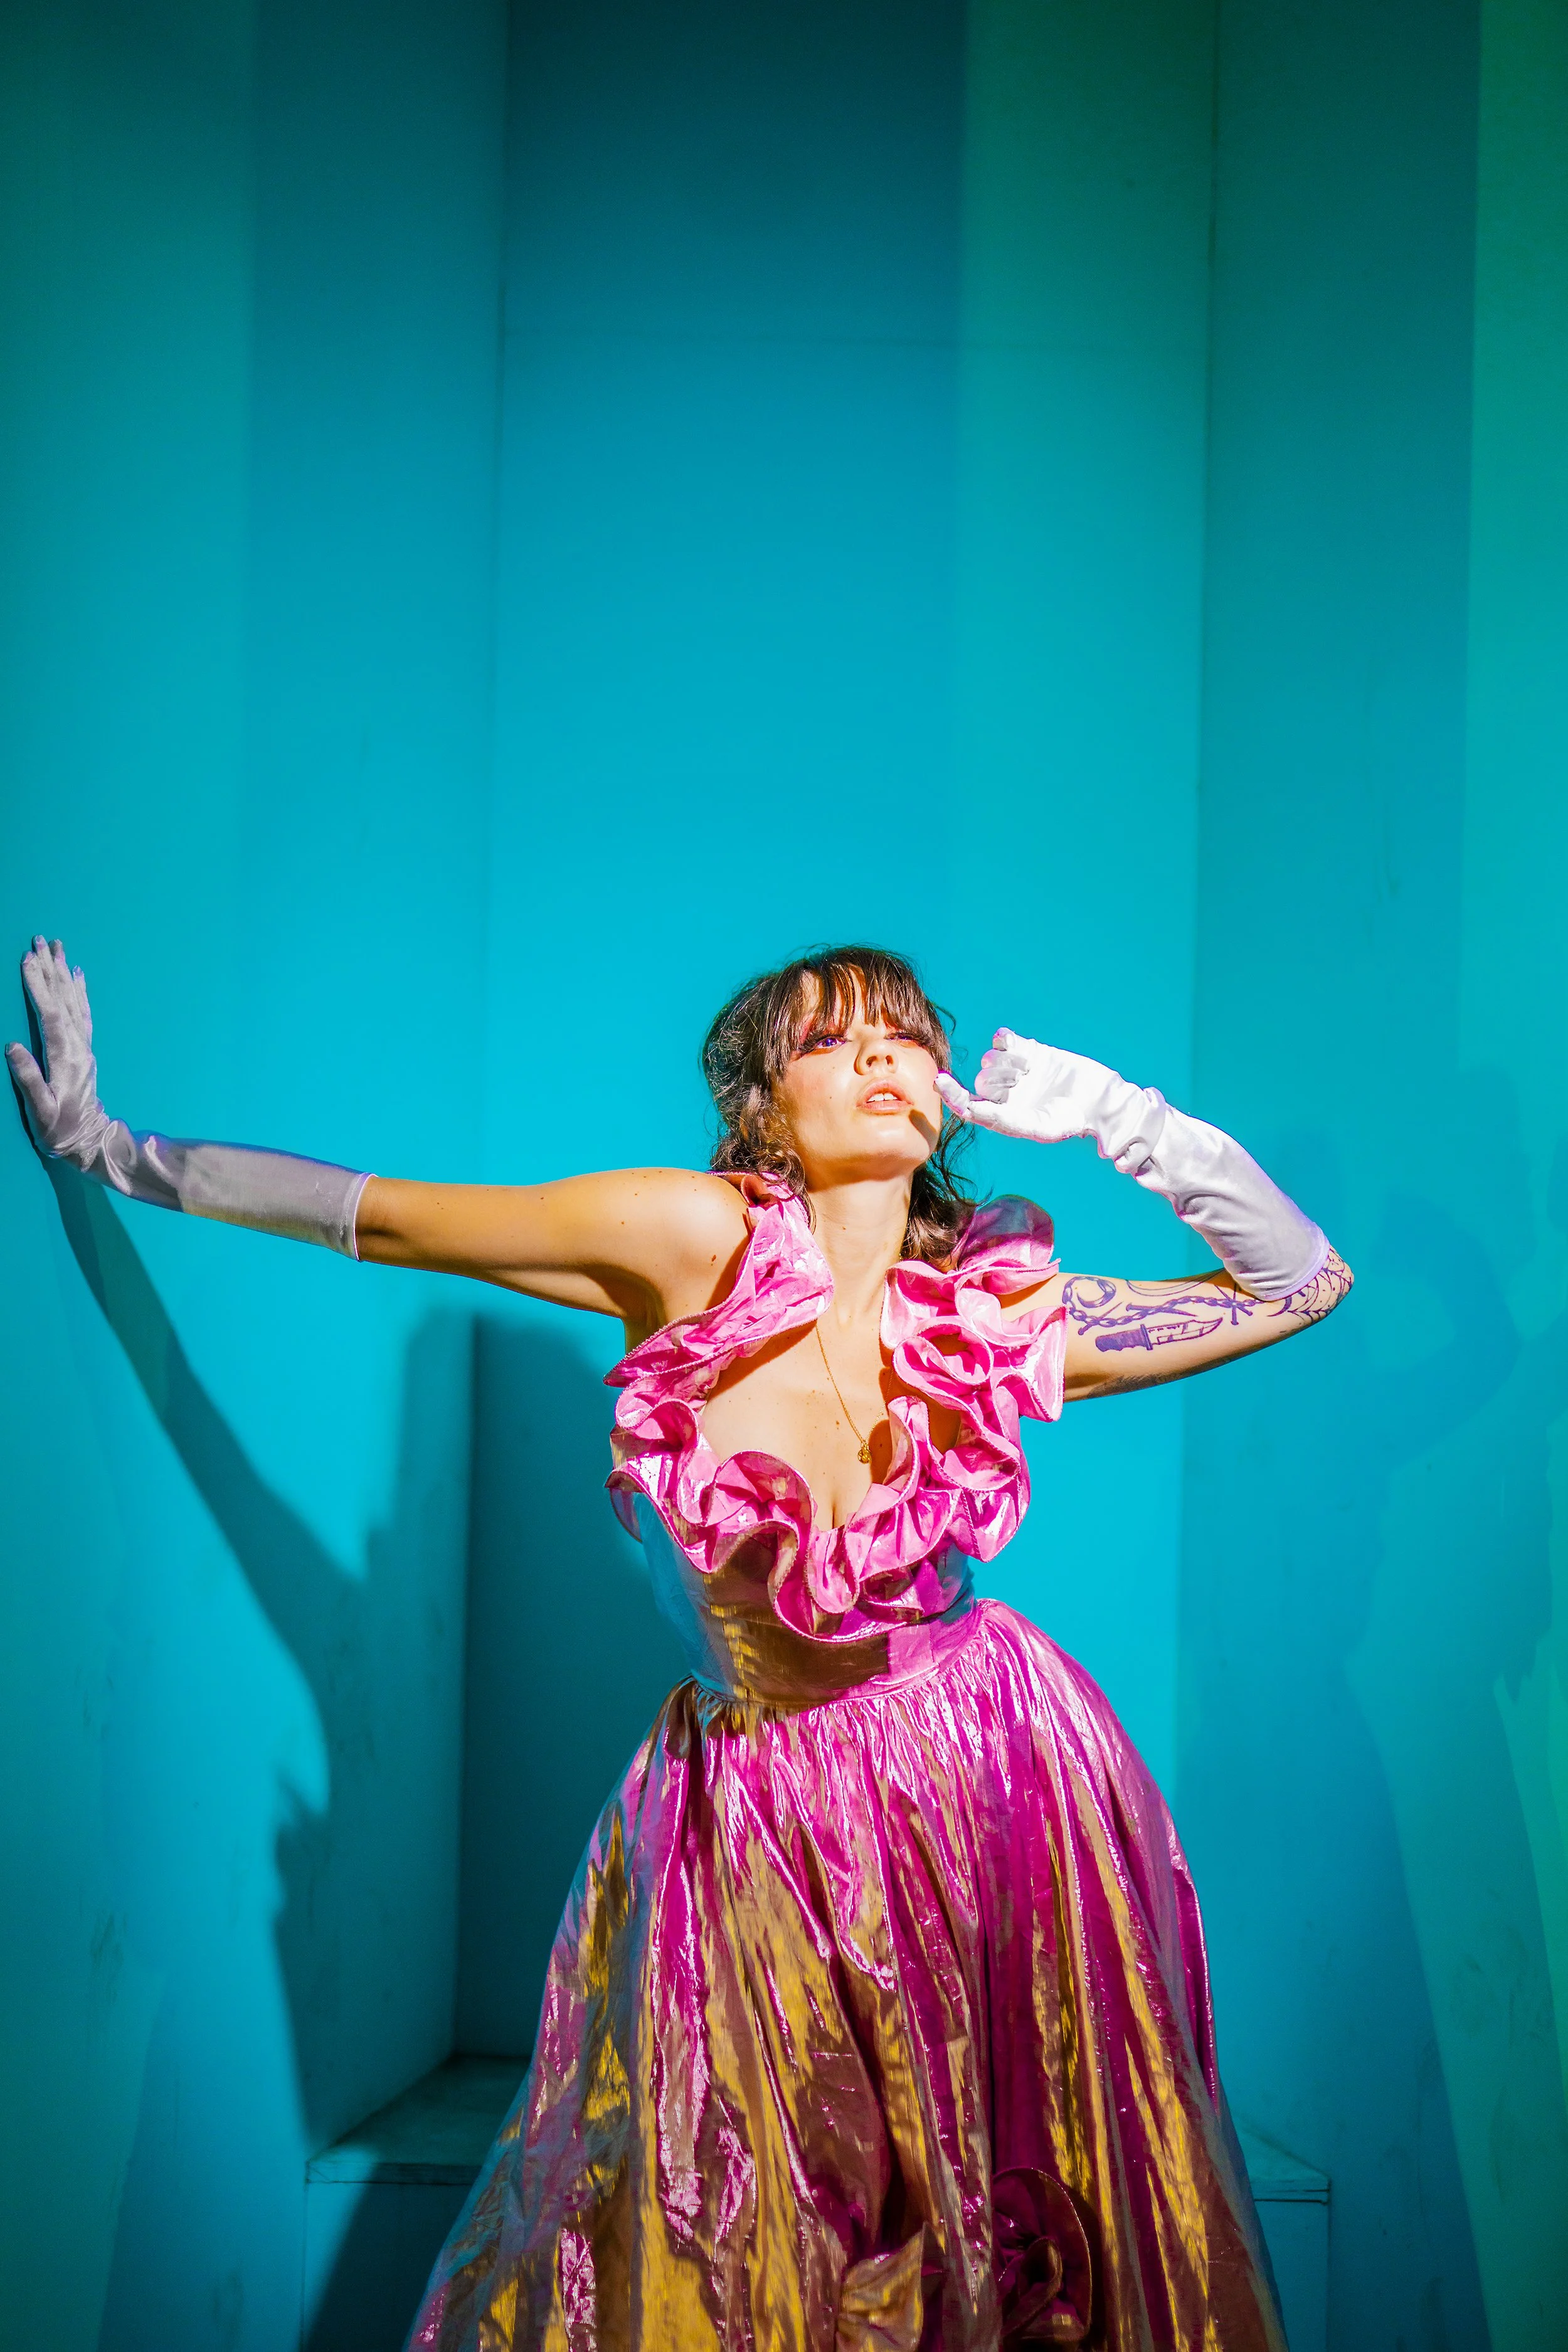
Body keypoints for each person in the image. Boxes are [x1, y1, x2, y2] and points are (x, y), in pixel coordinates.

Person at [8, 935, 1350, 2352]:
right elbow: (393, 1217)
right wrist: (106, 1147)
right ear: (763, 1108)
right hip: (765, 1821)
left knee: (1011, 2222)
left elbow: (1297, 1286)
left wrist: (1117, 1119)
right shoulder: (691, 1240)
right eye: (831, 1040)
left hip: (993, 1776)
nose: (882, 1058)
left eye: (903, 1035)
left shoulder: (979, 1312)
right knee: (753, 2239)